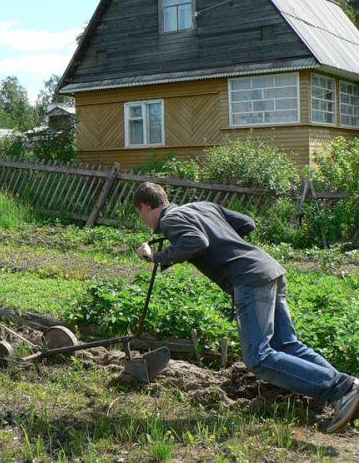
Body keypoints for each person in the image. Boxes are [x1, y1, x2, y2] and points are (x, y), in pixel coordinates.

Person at [133, 182, 358, 433]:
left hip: (249, 280)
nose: (143, 219)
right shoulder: (202, 207)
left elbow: (197, 241)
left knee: (258, 357)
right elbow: (246, 222)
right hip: (268, 269)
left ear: (145, 206)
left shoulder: (171, 220)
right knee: (286, 344)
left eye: (140, 213)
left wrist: (155, 256)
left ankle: (344, 389)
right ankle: (349, 391)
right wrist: (225, 240)